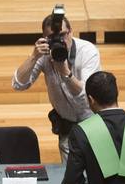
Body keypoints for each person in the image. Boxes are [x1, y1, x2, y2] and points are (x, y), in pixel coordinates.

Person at [12, 9, 102, 160]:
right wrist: (33, 56)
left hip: (93, 124)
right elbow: (18, 84)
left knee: (98, 174)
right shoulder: (44, 55)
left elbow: (87, 95)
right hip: (67, 128)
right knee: (70, 179)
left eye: (62, 35)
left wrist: (66, 73)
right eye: (52, 38)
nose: (59, 41)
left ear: (71, 32)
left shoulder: (87, 51)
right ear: (45, 38)